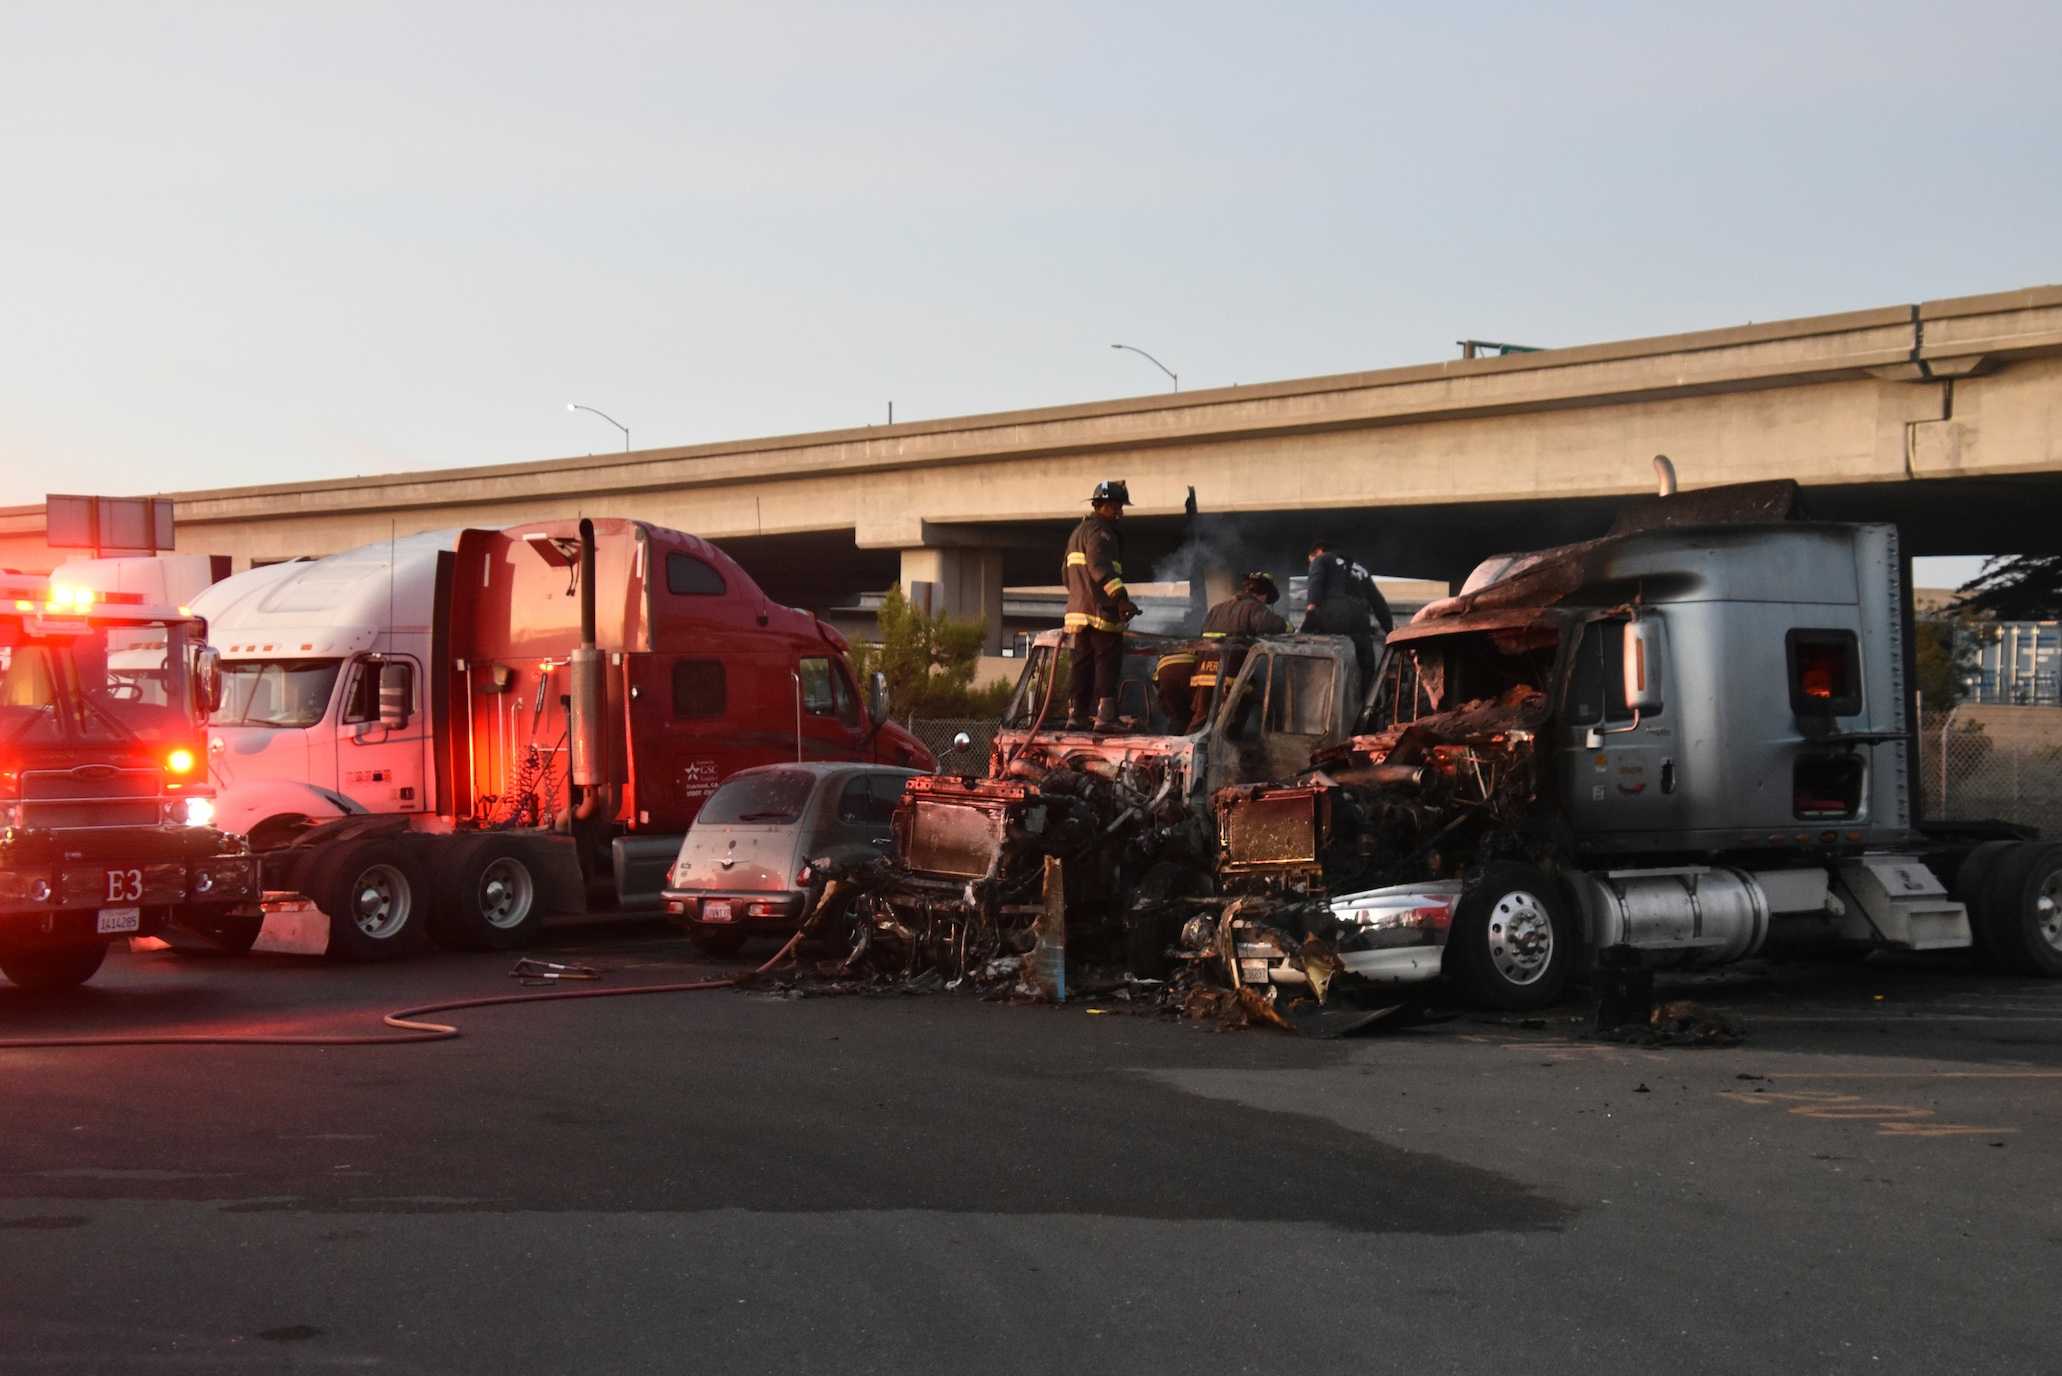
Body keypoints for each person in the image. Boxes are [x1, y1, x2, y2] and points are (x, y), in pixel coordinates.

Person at [1063, 479, 1140, 731]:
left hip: (1078, 612)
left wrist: (1080, 596)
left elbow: (1066, 574)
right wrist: (1121, 600)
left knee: (1081, 662)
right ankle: (1106, 716)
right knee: (1107, 660)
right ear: (1103, 505)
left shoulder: (1078, 533)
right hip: (1100, 611)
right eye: (1116, 506)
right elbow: (1100, 569)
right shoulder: (1102, 533)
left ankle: (1076, 715)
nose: (1119, 512)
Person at [1304, 539, 1392, 682]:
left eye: (1311, 560)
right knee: (1362, 645)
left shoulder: (1322, 559)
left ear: (1319, 552)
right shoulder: (1359, 568)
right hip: (1361, 620)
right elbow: (1379, 602)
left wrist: (1310, 613)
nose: (1312, 564)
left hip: (1334, 616)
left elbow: (1316, 583)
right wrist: (1389, 631)